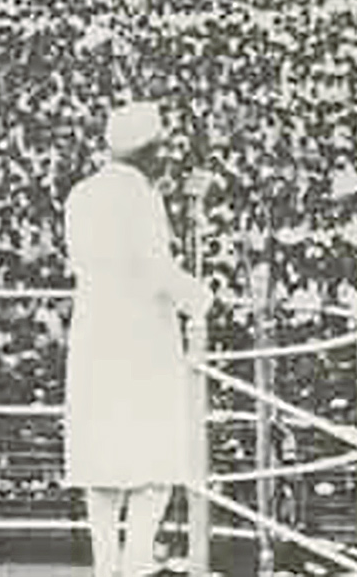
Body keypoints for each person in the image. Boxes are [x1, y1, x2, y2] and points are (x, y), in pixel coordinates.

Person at [63, 102, 213, 577]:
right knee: (154, 470)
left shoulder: (81, 194)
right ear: (149, 153)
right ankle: (135, 564)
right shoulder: (142, 198)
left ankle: (108, 568)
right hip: (141, 344)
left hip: (94, 340)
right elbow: (156, 271)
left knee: (102, 470)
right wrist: (200, 298)